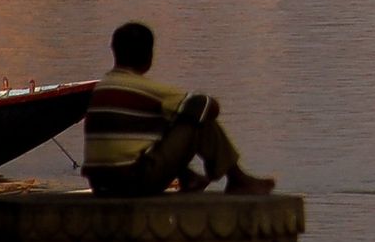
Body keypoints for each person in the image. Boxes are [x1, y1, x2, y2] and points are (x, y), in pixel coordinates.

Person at [80, 21, 274, 196]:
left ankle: (189, 178)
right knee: (196, 119)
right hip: (133, 181)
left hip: (100, 183)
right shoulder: (145, 89)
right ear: (149, 56)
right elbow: (208, 107)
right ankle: (237, 178)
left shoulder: (102, 87)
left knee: (167, 120)